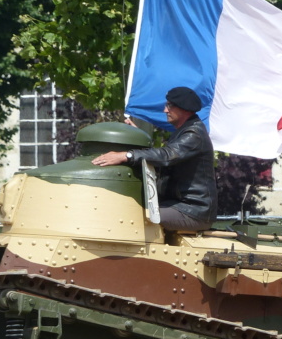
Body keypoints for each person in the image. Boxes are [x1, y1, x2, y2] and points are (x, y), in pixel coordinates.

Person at [92, 86, 217, 231]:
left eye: (170, 106)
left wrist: (126, 155)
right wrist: (137, 136)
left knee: (131, 217)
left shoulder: (193, 134)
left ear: (184, 109)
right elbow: (164, 156)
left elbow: (167, 156)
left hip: (193, 211)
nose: (165, 110)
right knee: (128, 210)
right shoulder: (185, 131)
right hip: (178, 206)